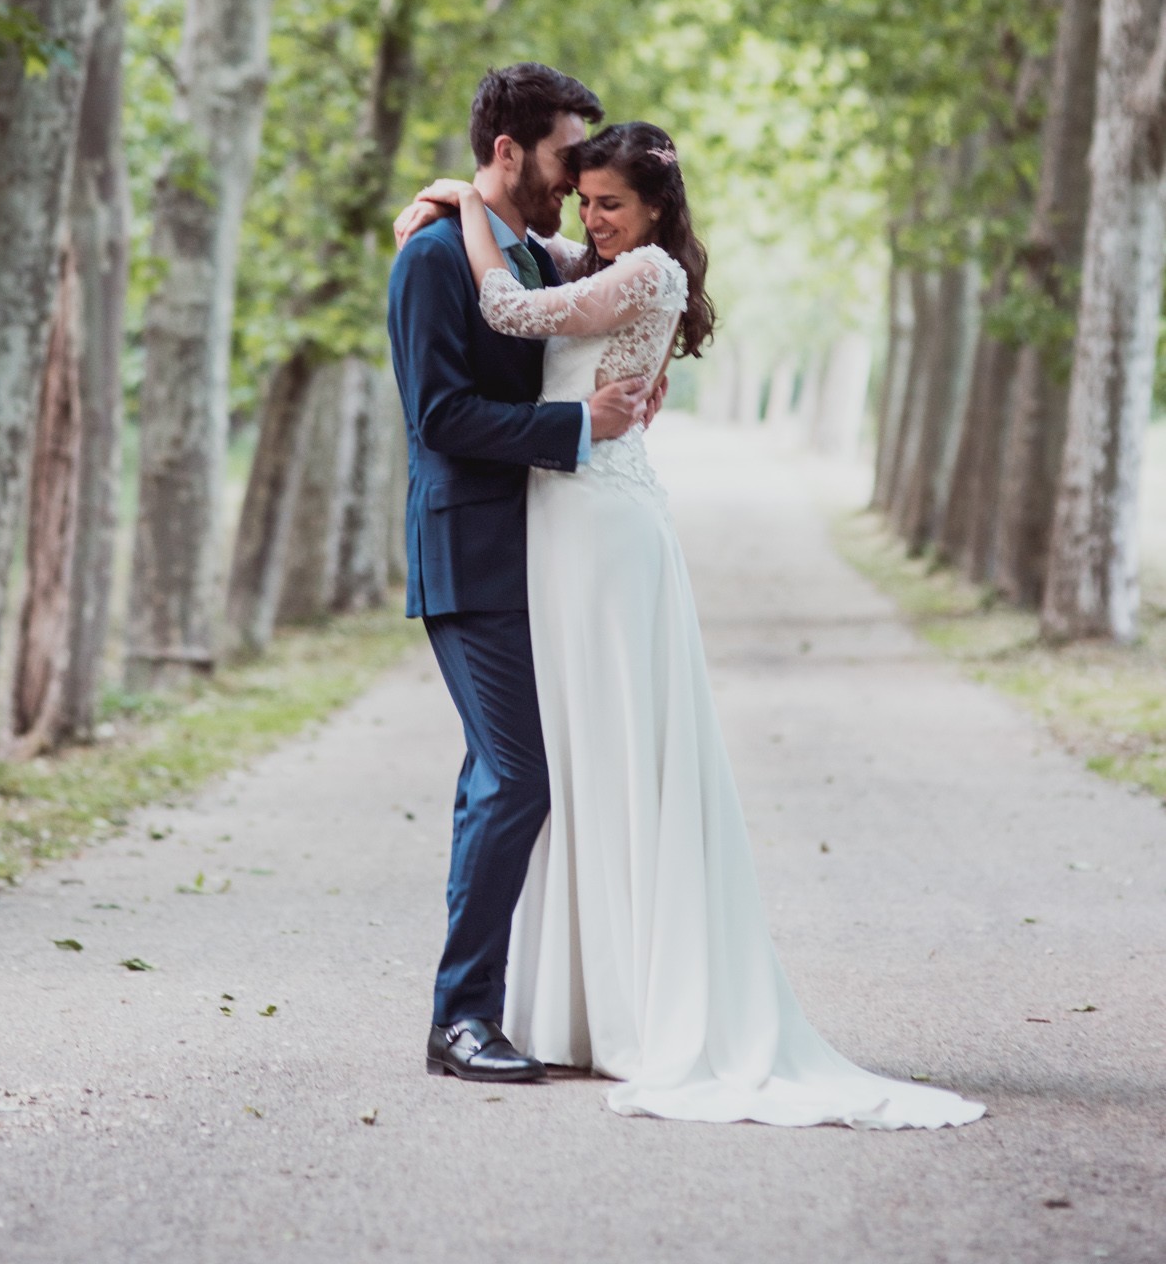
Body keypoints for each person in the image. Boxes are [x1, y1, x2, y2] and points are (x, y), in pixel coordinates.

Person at [399, 117, 986, 1128]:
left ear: (661, 207)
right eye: (580, 193)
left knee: (607, 758)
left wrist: (461, 201)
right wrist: (462, 200)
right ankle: (558, 1004)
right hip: (551, 527)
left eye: (610, 200)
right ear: (520, 152)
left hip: (596, 523)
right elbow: (477, 364)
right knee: (561, 768)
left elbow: (509, 305)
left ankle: (604, 1005)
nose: (591, 214)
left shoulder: (637, 271)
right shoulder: (576, 254)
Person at [386, 64, 655, 1084]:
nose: (574, 177)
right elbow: (440, 418)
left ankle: (479, 1010)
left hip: (544, 555)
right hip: (471, 556)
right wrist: (574, 425)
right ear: (506, 152)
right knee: (517, 777)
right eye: (560, 157)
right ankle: (460, 1019)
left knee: (490, 781)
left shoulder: (528, 257)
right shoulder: (428, 264)